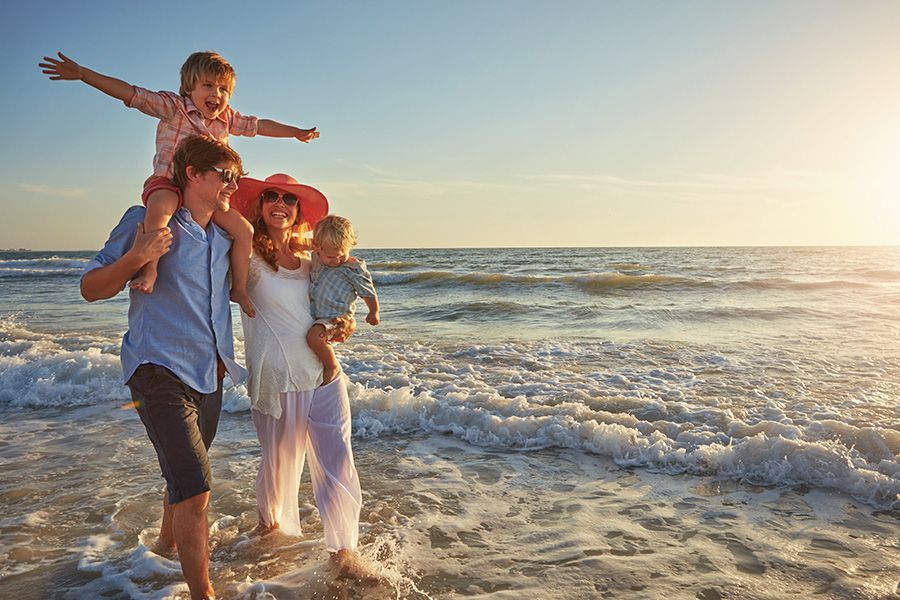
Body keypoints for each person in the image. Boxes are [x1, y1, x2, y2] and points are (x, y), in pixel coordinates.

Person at [81, 135, 247, 600]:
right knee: (196, 489)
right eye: (225, 176)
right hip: (155, 369)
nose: (233, 185)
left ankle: (163, 545)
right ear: (194, 174)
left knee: (183, 476)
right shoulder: (145, 222)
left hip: (207, 375)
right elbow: (90, 288)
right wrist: (140, 257)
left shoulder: (224, 235)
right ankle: (203, 593)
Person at [40, 50, 320, 316]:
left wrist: (295, 133)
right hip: (168, 182)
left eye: (223, 89)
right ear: (189, 88)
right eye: (208, 86)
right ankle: (150, 268)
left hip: (208, 195)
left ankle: (238, 289)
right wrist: (83, 74)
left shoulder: (226, 118)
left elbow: (260, 126)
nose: (216, 95)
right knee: (160, 211)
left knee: (244, 229)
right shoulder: (174, 107)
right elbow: (130, 93)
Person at [230, 174, 365, 571]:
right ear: (259, 206)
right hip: (277, 378)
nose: (280, 203)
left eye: (289, 199)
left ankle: (344, 553)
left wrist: (345, 323)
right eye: (270, 196)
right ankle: (268, 541)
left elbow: (338, 302)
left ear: (298, 211)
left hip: (324, 374)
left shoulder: (313, 263)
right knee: (278, 465)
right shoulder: (246, 256)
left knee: (338, 461)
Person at [307, 215, 380, 385]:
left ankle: (331, 365)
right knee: (315, 338)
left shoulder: (352, 268)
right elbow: (299, 243)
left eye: (342, 255)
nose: (337, 261)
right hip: (315, 314)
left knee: (314, 338)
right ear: (317, 248)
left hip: (335, 316)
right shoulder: (316, 257)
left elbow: (367, 291)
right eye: (331, 257)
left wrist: (373, 311)